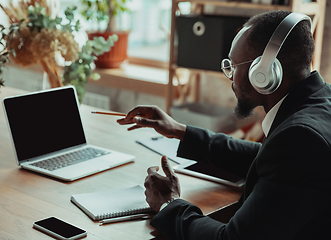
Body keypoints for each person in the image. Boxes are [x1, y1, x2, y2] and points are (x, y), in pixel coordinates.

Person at [117, 10, 331, 240]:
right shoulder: (319, 103)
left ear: (264, 73)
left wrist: (169, 203)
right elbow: (266, 157)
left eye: (234, 65)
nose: (230, 76)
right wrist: (180, 131)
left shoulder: (299, 139)